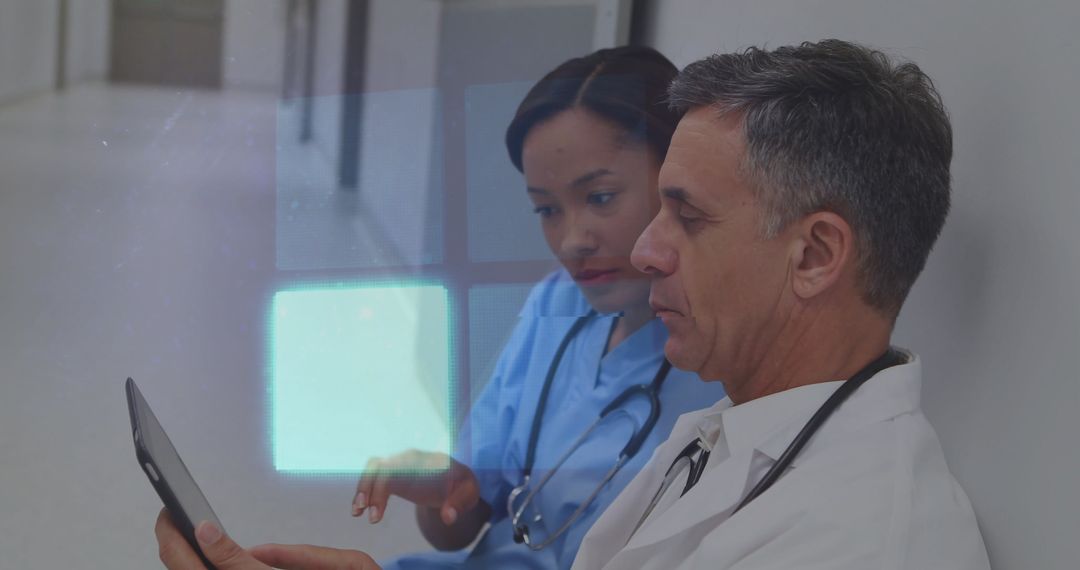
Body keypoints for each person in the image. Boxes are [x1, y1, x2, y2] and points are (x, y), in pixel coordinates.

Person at [153, 46, 725, 570]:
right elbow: (458, 524)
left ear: (677, 184)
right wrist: (446, 490)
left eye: (600, 197)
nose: (572, 240)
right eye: (546, 210)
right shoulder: (557, 303)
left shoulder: (723, 367)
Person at [570, 40, 992, 569]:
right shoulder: (732, 431)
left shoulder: (862, 544)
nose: (644, 252)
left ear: (815, 256)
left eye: (689, 217)